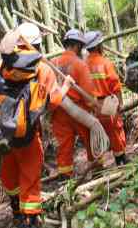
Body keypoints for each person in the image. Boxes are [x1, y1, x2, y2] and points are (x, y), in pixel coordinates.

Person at [0, 23, 71, 228]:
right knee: (30, 174)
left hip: (3, 134)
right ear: (37, 44)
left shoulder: (1, 65)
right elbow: (54, 103)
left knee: (9, 173)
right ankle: (30, 220)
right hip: (28, 133)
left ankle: (16, 211)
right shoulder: (42, 68)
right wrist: (65, 86)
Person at [51, 29, 98, 178]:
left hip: (59, 110)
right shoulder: (79, 64)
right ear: (77, 46)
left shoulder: (53, 63)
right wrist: (92, 108)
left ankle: (66, 179)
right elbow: (89, 92)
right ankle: (97, 169)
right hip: (79, 110)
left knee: (64, 145)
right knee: (91, 137)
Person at [84, 31, 127, 166]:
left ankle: (99, 168)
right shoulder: (105, 63)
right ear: (98, 46)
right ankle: (121, 161)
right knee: (115, 132)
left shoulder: (83, 65)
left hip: (92, 105)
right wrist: (120, 103)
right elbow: (115, 85)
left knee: (97, 136)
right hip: (107, 104)